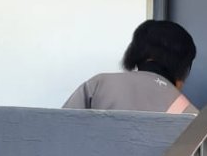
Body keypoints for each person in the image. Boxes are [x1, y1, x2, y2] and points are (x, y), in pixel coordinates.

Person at [64, 20, 198, 113]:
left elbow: (60, 128)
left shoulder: (99, 85)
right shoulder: (188, 112)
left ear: (136, 52)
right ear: (183, 66)